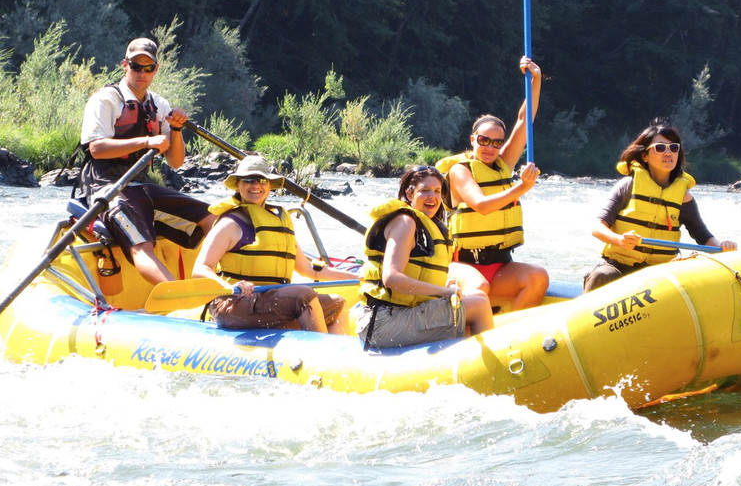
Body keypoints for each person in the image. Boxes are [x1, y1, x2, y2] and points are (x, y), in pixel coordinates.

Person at [79, 37, 215, 285]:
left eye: (148, 67)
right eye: (136, 66)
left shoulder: (159, 104)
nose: (142, 72)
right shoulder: (107, 99)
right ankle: (176, 296)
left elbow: (175, 162)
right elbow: (97, 149)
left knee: (211, 217)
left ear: (156, 69)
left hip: (140, 182)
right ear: (125, 65)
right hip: (106, 183)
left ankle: (219, 281)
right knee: (141, 244)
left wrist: (176, 130)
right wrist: (145, 142)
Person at [435, 56, 548, 312]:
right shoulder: (460, 171)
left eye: (497, 143)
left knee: (538, 277)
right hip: (462, 264)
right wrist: (520, 188)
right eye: (484, 140)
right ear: (473, 139)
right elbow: (481, 206)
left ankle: (509, 334)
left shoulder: (503, 164)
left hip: (500, 263)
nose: (490, 147)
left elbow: (523, 120)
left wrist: (536, 78)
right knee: (480, 288)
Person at [192, 155, 352, 333]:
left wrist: (361, 278)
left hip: (267, 301)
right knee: (303, 295)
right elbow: (200, 268)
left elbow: (309, 270)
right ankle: (318, 357)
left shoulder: (278, 223)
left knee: (337, 303)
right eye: (248, 180)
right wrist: (229, 287)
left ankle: (339, 357)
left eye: (261, 180)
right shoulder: (230, 224)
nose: (255, 185)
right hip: (234, 304)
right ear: (238, 185)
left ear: (269, 185)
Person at [583, 120, 738, 292]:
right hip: (619, 267)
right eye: (660, 148)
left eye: (673, 148)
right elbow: (597, 227)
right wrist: (619, 240)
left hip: (658, 274)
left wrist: (722, 247)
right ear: (645, 156)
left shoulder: (683, 197)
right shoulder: (627, 185)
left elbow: (704, 237)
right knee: (601, 276)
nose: (668, 153)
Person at [355, 165, 494, 349]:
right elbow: (391, 278)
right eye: (425, 190)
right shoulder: (405, 223)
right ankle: (487, 373)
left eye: (437, 191)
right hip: (382, 324)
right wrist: (442, 292)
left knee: (477, 296)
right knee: (479, 306)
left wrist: (441, 288)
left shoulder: (422, 224)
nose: (433, 197)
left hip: (397, 315)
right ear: (410, 194)